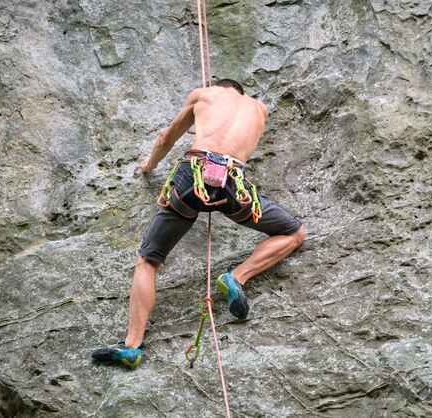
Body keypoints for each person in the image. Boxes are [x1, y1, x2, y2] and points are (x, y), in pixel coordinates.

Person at [92, 79, 305, 368]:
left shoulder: (203, 94)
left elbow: (166, 139)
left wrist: (148, 166)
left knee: (148, 260)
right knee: (294, 233)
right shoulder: (259, 109)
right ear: (242, 93)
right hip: (233, 184)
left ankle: (132, 345)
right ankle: (237, 278)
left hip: (191, 178)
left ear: (218, 86)